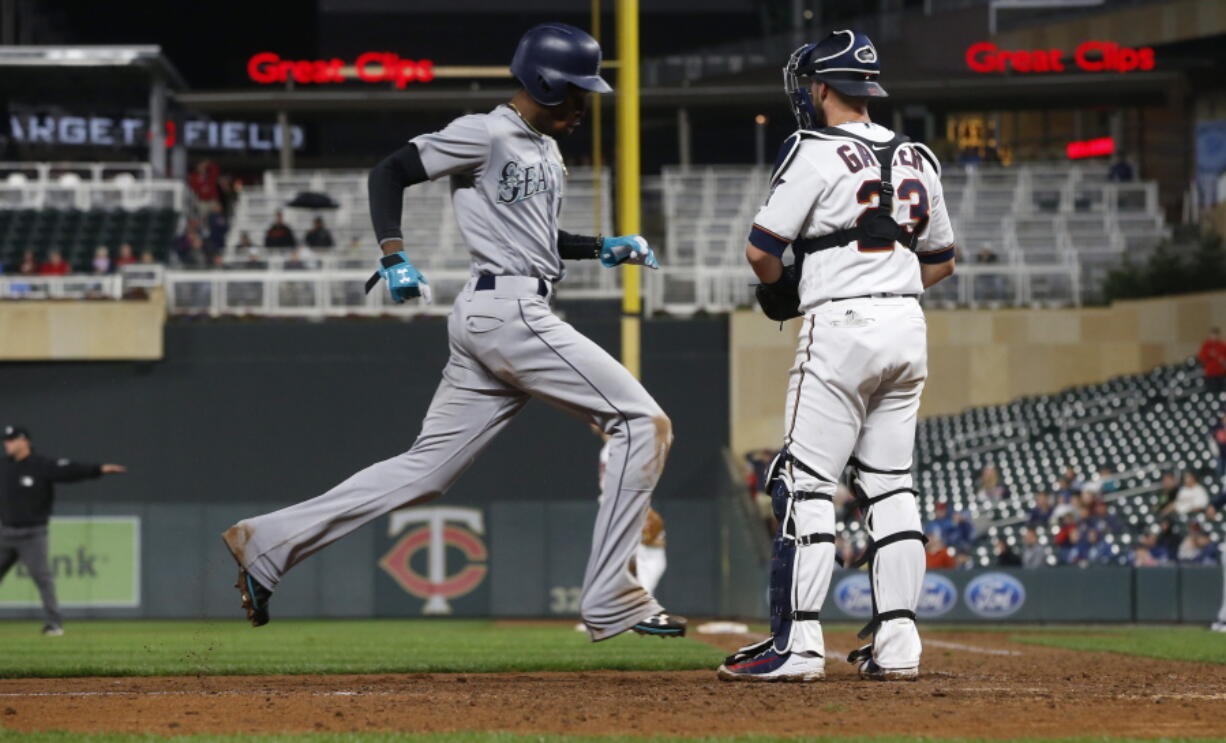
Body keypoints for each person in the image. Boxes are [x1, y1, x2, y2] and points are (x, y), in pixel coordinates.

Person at [221, 24, 679, 645]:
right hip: (510, 313)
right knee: (643, 423)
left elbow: (537, 240)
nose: (583, 104)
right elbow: (390, 172)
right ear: (544, 84)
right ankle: (610, 597)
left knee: (426, 472)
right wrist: (393, 255)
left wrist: (601, 246)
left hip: (498, 314)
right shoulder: (484, 131)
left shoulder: (544, 147)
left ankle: (268, 544)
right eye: (576, 92)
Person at [718, 30, 955, 683]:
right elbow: (942, 261)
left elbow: (761, 249)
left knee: (804, 482)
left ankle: (797, 646)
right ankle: (900, 644)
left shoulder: (812, 148)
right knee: (891, 483)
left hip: (841, 327)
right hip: (907, 323)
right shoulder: (918, 155)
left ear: (823, 87)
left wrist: (784, 291)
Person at [0, 425, 126, 636]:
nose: (7, 444)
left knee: (43, 579)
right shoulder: (3, 467)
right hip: (4, 534)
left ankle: (54, 624)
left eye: (12, 440)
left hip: (32, 534)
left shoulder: (40, 466)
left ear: (25, 441)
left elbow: (70, 470)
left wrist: (98, 469)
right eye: (6, 440)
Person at [1197, 328, 1226, 393]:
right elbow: (1201, 357)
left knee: (1222, 392)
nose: (1214, 337)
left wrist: (1222, 359)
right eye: (1213, 335)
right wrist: (1209, 354)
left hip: (1221, 373)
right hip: (1210, 374)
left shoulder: (1223, 345)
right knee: (1212, 391)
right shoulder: (1206, 346)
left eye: (1216, 335)